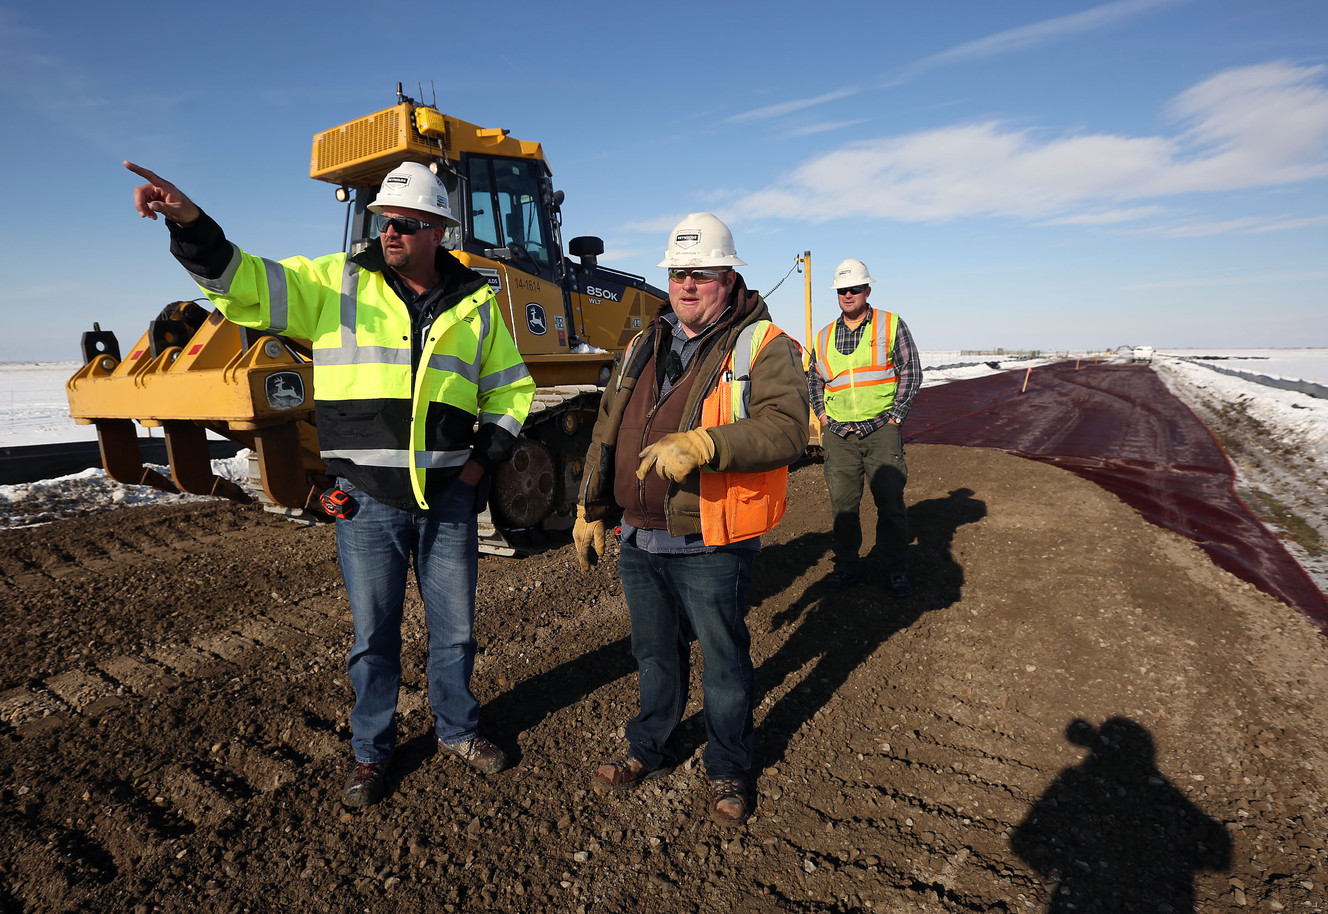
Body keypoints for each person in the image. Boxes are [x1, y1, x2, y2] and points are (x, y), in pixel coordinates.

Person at [125, 160, 535, 808]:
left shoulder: (477, 304)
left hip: (448, 501)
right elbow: (247, 285)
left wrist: (480, 467)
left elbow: (512, 388)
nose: (388, 232)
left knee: (454, 632)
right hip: (367, 504)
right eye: (382, 221)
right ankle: (372, 753)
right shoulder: (336, 285)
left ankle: (458, 730)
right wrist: (191, 225)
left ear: (434, 230)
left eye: (402, 222)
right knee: (373, 637)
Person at [573, 213, 809, 826]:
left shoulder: (763, 344)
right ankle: (649, 744)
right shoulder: (642, 343)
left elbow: (786, 428)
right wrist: (593, 506)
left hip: (710, 536)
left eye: (700, 274)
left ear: (730, 277)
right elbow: (608, 429)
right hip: (640, 533)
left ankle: (729, 764)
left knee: (724, 663)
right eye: (678, 273)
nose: (685, 285)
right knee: (653, 652)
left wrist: (706, 445)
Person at [807, 258, 922, 596]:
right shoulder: (825, 334)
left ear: (867, 289)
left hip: (881, 430)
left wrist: (895, 416)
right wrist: (823, 417)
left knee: (890, 504)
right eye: (842, 290)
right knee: (843, 506)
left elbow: (911, 372)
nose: (848, 294)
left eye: (854, 288)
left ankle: (895, 569)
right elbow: (814, 379)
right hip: (839, 434)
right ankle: (845, 566)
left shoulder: (890, 324)